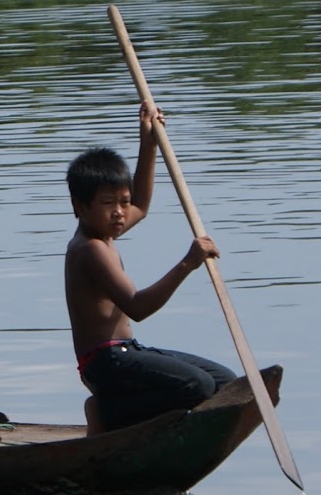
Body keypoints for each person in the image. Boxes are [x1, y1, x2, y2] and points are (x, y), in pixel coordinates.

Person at [64, 104, 236, 433]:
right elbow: (138, 307)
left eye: (122, 202)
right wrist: (187, 263)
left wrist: (149, 143)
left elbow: (141, 204)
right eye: (108, 204)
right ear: (79, 207)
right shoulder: (90, 249)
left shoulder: (104, 231)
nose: (119, 212)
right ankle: (106, 412)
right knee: (197, 386)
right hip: (106, 362)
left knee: (225, 383)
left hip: (127, 352)